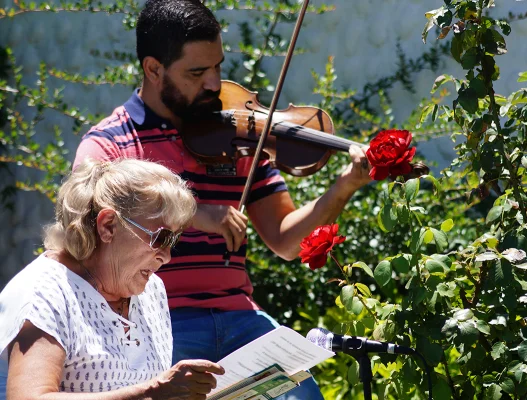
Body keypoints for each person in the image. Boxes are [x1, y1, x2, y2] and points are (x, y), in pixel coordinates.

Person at [73, 0, 372, 398]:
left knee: (301, 394)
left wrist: (343, 188)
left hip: (240, 319)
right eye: (197, 72)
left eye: (217, 67)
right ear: (153, 69)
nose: (214, 84)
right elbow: (83, 207)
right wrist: (194, 214)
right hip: (158, 322)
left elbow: (286, 241)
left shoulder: (240, 138)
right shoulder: (112, 141)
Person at [0, 157, 225, 399]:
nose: (167, 256)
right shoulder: (45, 292)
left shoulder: (151, 290)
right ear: (108, 226)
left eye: (174, 240)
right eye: (161, 238)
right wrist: (153, 392)